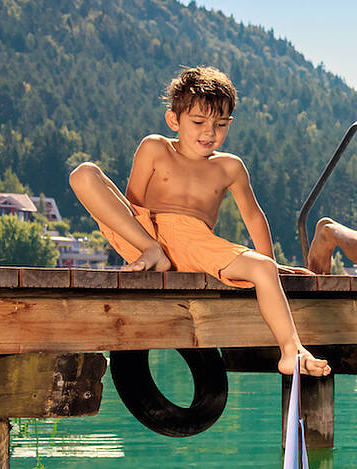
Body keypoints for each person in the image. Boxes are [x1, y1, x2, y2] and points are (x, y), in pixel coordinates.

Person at [68, 66, 330, 377]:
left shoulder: (230, 167)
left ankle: (291, 351)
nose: (209, 132)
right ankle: (153, 252)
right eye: (198, 122)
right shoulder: (155, 147)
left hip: (194, 242)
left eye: (220, 124)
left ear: (229, 124)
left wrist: (268, 264)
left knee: (262, 268)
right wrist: (146, 243)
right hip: (143, 234)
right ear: (173, 120)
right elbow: (130, 203)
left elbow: (253, 215)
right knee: (83, 173)